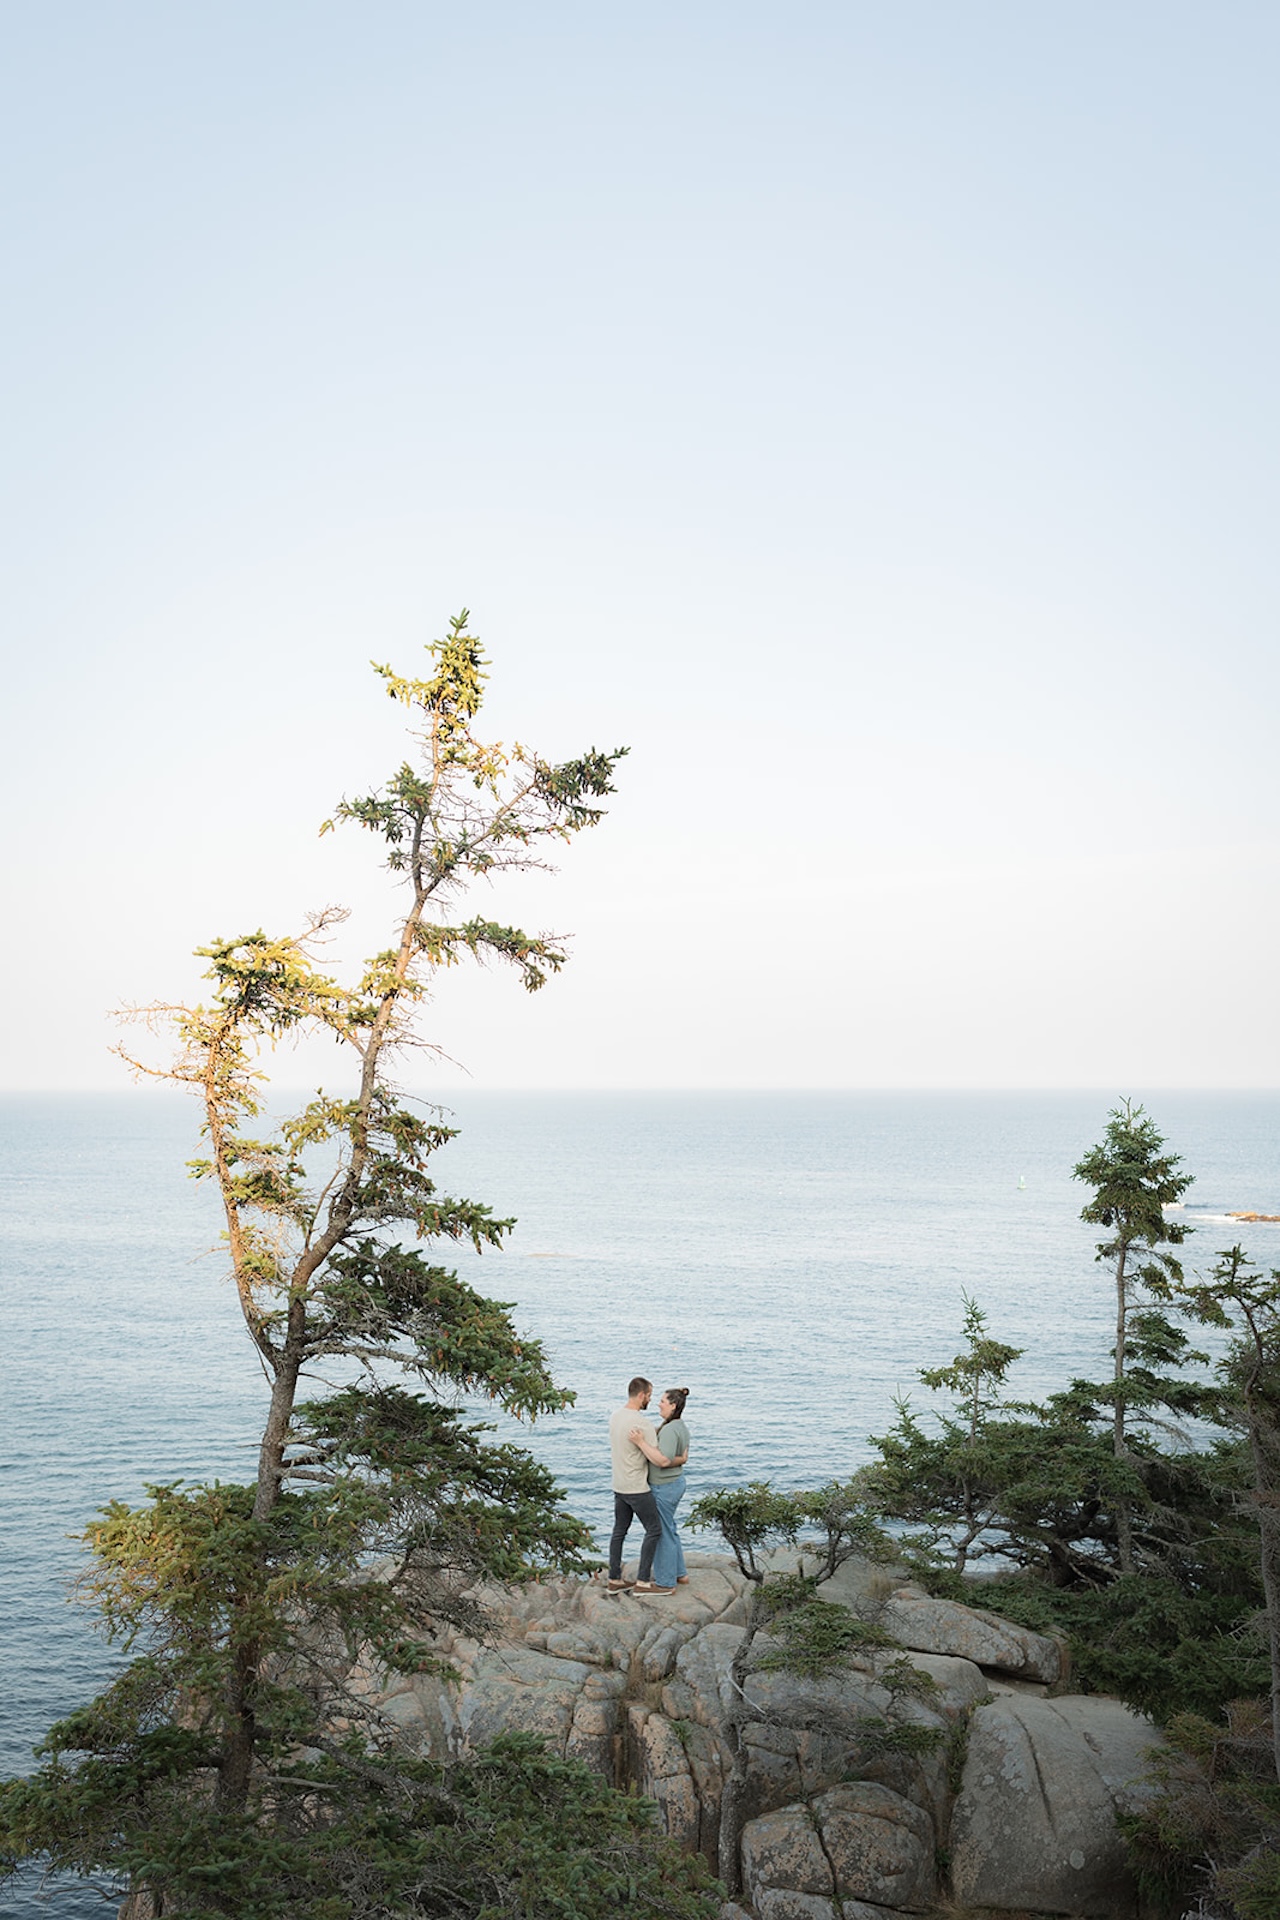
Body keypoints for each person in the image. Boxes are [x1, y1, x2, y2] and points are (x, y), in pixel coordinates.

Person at [607, 1376, 664, 1592]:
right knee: (654, 1529)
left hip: (619, 1484)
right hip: (637, 1487)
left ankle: (614, 1579)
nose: (650, 1399)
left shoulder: (615, 1416)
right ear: (641, 1395)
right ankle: (642, 1581)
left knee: (619, 1530)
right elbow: (655, 1454)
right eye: (649, 1395)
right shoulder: (642, 1423)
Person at [630, 1387, 691, 1592]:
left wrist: (639, 1442)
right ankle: (680, 1573)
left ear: (673, 1405)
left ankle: (666, 1583)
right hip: (674, 1484)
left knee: (662, 1532)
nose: (658, 1404)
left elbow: (663, 1460)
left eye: (663, 1401)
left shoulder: (671, 1430)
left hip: (664, 1487)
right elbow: (682, 1456)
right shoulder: (678, 1426)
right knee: (669, 1528)